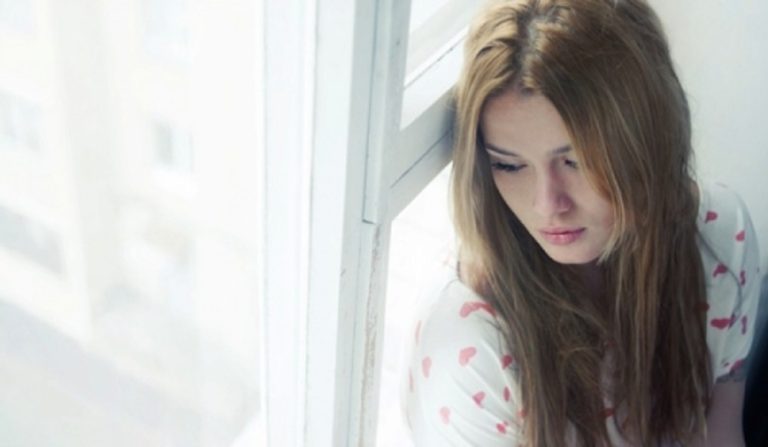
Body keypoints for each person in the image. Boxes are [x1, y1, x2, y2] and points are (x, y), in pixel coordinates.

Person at [400, 0, 761, 445]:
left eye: (576, 161)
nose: (547, 205)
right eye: (509, 165)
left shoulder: (718, 237)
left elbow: (720, 431)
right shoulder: (470, 343)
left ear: (646, 138)